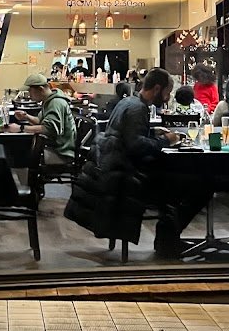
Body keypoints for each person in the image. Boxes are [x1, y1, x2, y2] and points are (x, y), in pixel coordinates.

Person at [66, 68, 212, 257]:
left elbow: (128, 137)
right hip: (128, 176)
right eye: (167, 92)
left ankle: (167, 240)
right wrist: (166, 140)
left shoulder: (127, 102)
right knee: (196, 186)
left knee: (183, 183)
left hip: (112, 170)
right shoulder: (139, 108)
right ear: (157, 89)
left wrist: (152, 133)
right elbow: (135, 146)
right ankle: (167, 240)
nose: (167, 98)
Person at [6, 72, 76, 164]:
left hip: (61, 152)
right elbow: (40, 121)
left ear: (40, 89)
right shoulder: (48, 101)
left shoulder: (56, 103)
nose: (29, 95)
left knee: (19, 154)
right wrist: (26, 117)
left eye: (30, 91)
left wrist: (20, 128)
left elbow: (48, 129)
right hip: (54, 146)